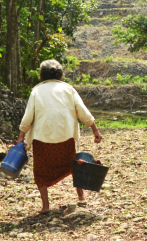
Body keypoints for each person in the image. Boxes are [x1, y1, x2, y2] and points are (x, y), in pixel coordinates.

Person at [16, 59, 102, 214]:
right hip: (65, 138)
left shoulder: (36, 91)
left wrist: (21, 136)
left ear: (41, 76)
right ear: (61, 76)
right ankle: (81, 196)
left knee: (40, 172)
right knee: (73, 165)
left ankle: (46, 206)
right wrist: (95, 130)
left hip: (42, 141)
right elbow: (82, 111)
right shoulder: (68, 89)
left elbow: (28, 117)